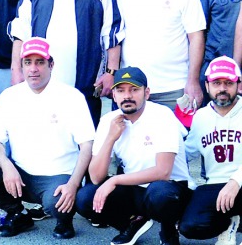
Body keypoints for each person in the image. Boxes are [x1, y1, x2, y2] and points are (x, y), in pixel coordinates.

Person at [0, 37, 94, 240]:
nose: (33, 69)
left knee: (56, 205)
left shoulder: (71, 97)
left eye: (40, 62)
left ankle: (64, 222)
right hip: (20, 175)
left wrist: (73, 184)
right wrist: (6, 165)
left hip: (58, 176)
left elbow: (87, 146)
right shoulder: (9, 96)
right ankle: (17, 214)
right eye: (28, 63)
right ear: (21, 66)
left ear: (51, 65)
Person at [11, 0, 122, 124]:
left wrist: (111, 73)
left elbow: (112, 33)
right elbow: (21, 31)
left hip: (86, 84)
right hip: (42, 83)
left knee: (85, 140)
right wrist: (17, 71)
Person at [75, 66, 190, 245]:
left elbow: (163, 171)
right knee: (85, 198)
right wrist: (110, 139)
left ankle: (168, 230)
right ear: (114, 95)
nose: (127, 96)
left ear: (147, 93)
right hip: (135, 188)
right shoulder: (109, 121)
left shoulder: (162, 115)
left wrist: (114, 180)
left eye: (134, 89)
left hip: (170, 187)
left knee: (160, 194)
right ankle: (132, 223)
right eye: (120, 90)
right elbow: (96, 177)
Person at [115, 0, 206, 111]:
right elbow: (115, 38)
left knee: (175, 139)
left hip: (173, 89)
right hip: (132, 88)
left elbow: (196, 37)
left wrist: (193, 81)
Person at [180, 56, 242, 243]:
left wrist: (235, 182)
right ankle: (230, 224)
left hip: (240, 182)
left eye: (228, 83)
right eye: (216, 83)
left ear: (238, 85)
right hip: (214, 184)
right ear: (207, 86)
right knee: (190, 227)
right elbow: (187, 152)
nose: (222, 88)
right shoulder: (201, 117)